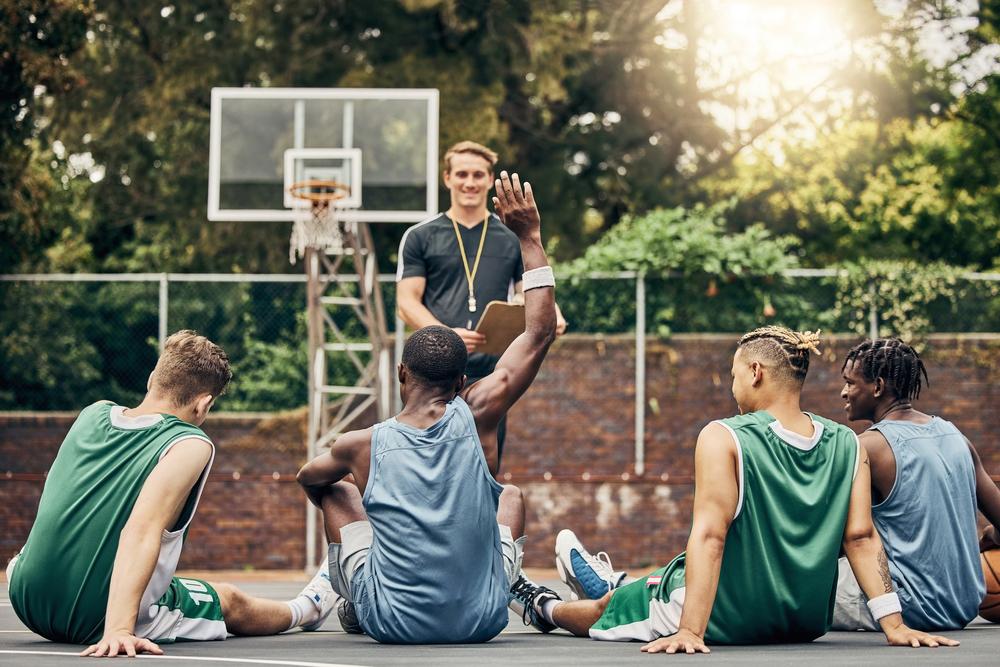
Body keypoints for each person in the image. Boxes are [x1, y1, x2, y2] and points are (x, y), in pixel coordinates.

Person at [536, 327, 957, 654]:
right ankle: (613, 581)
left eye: (734, 374)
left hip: (722, 618)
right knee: (647, 583)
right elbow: (862, 538)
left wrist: (689, 630)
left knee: (605, 608)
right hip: (805, 622)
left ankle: (539, 605)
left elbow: (710, 536)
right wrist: (894, 625)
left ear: (755, 372)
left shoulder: (722, 436)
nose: (732, 386)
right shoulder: (848, 443)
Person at [297, 170, 561, 643]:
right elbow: (539, 333)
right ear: (462, 381)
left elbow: (308, 478)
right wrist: (531, 237)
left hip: (391, 623)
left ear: (402, 374)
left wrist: (380, 507)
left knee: (339, 493)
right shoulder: (480, 410)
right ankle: (511, 589)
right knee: (511, 497)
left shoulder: (358, 444)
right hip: (483, 619)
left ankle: (355, 593)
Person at [5, 331, 335, 657]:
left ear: (152, 379)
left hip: (24, 593)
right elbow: (140, 530)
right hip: (97, 619)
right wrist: (119, 629)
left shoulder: (92, 414)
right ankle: (308, 608)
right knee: (228, 599)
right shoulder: (188, 443)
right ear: (204, 404)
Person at [395, 140, 566, 463]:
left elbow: (525, 291)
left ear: (490, 180)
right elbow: (406, 303)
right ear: (447, 178)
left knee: (484, 465)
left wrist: (552, 314)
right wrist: (447, 339)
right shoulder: (421, 235)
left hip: (491, 374)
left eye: (478, 174)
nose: (469, 182)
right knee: (426, 465)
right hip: (431, 376)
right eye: (461, 174)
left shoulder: (510, 235)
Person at [834, 337, 1000, 631]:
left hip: (906, 607)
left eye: (850, 382)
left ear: (878, 387)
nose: (843, 392)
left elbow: (834, 539)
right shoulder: (955, 437)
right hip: (963, 604)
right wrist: (989, 536)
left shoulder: (869, 447)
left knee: (792, 588)